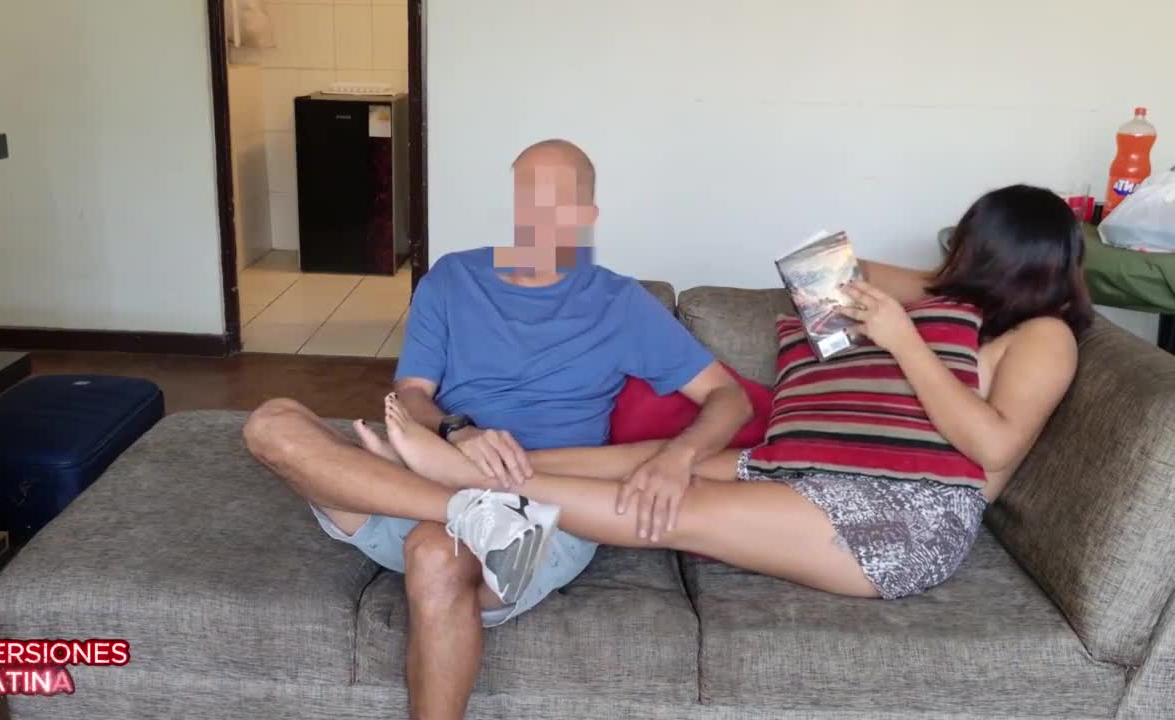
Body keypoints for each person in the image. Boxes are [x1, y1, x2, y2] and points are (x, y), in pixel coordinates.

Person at [360, 183, 1092, 603]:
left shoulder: (1044, 335)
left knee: (671, 506)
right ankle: (486, 464)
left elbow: (994, 445)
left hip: (904, 514)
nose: (949, 262)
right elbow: (822, 265)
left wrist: (903, 340)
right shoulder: (954, 306)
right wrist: (944, 290)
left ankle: (469, 485)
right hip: (816, 469)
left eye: (966, 250)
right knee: (650, 458)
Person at [243, 138, 751, 720]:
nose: (539, 212)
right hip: (422, 485)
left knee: (435, 552)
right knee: (271, 423)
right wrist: (459, 431)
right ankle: (471, 508)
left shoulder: (621, 303)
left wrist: (676, 458)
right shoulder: (452, 278)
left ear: (587, 214)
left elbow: (729, 398)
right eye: (528, 193)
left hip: (541, 506)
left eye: (557, 199)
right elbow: (412, 397)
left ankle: (475, 511)